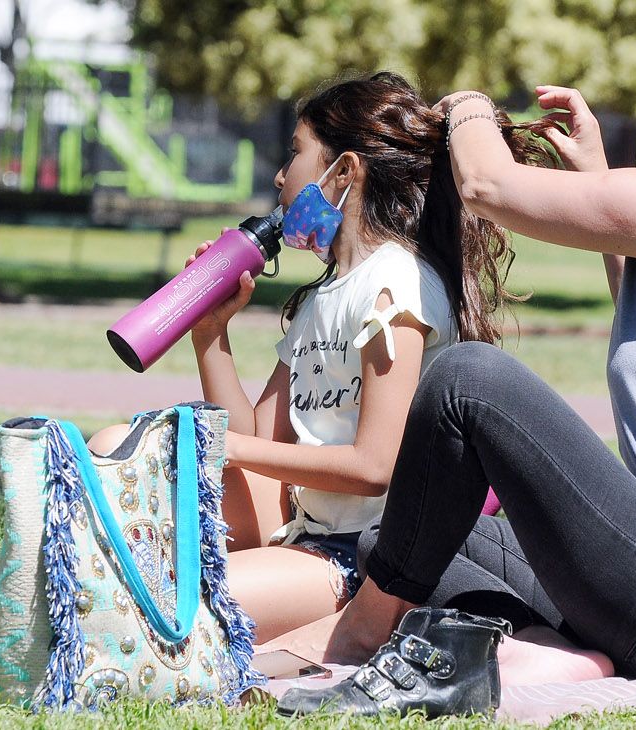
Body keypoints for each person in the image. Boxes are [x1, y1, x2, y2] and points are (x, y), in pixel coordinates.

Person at [268, 12, 636, 703]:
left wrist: (469, 106)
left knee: (466, 380)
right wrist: (597, 172)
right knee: (398, 540)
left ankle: (363, 634)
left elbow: (487, 187)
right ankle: (554, 651)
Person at [89, 72, 552, 642]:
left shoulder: (396, 286)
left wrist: (228, 449)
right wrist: (211, 334)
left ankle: (340, 622)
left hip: (366, 556)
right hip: (304, 525)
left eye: (295, 153)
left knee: (179, 603)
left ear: (345, 172)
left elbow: (375, 468)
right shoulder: (324, 296)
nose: (280, 176)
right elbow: (259, 441)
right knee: (114, 449)